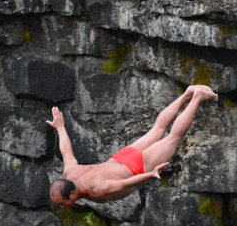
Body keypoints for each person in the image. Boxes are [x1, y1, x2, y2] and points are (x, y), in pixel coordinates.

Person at [46, 85, 219, 209]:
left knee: (174, 138)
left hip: (135, 167)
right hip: (121, 157)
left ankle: (197, 97)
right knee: (157, 129)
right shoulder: (69, 173)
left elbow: (125, 183)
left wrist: (149, 174)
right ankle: (187, 94)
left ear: (72, 194)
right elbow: (67, 152)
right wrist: (60, 127)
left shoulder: (95, 189)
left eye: (62, 203)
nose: (62, 207)